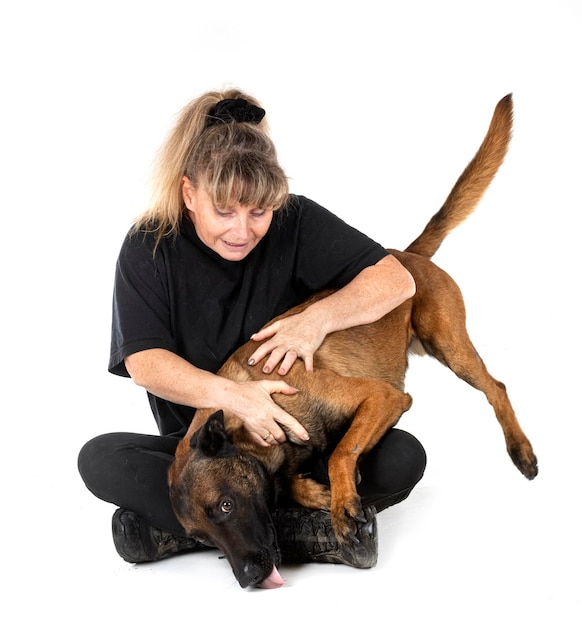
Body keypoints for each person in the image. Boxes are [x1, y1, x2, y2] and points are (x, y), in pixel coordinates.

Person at [78, 88, 427, 571]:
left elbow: (396, 280)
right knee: (101, 458)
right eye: (224, 212)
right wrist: (235, 397)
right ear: (189, 194)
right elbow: (145, 363)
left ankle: (184, 535)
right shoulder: (148, 246)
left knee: (403, 458)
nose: (242, 231)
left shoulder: (296, 219)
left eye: (258, 212)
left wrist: (315, 321)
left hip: (303, 446)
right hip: (208, 463)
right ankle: (305, 534)